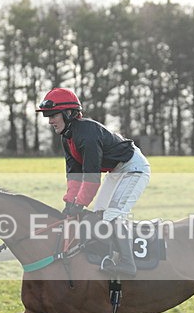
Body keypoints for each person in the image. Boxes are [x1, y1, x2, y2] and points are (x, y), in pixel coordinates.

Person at [36, 87, 150, 277]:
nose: (50, 121)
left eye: (53, 115)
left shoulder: (87, 133)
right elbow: (74, 174)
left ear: (69, 113)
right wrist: (69, 202)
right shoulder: (67, 138)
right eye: (48, 116)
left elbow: (91, 177)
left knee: (112, 214)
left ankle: (128, 264)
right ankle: (109, 255)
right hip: (116, 170)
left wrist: (79, 204)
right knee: (99, 213)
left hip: (134, 168)